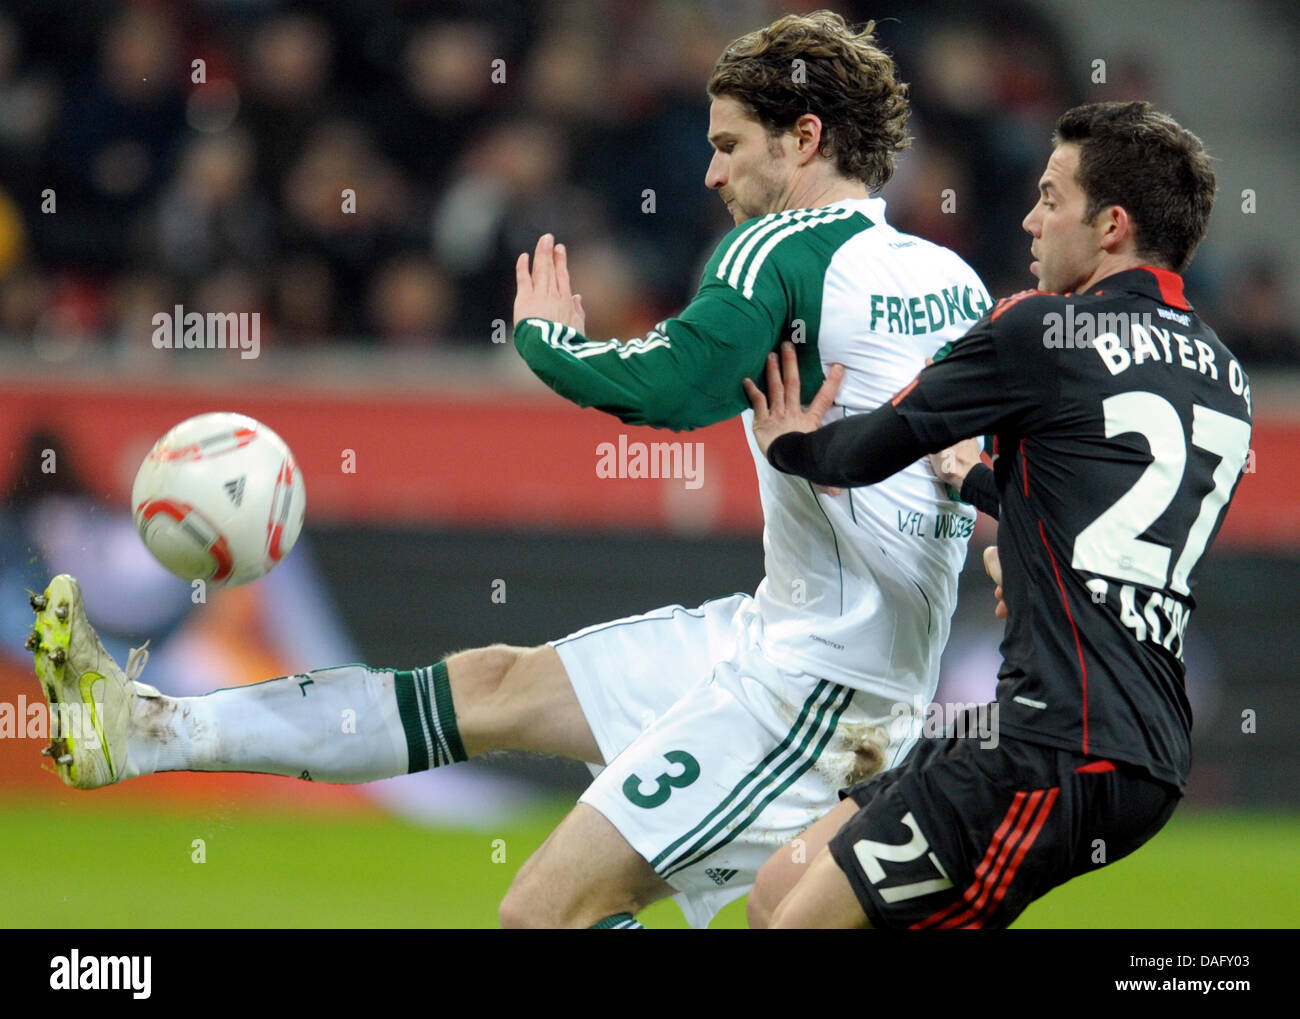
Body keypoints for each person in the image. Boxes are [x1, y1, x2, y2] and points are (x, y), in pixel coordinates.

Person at [28, 12, 989, 929]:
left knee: (543, 908)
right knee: (488, 686)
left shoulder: (779, 247)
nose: (710, 172)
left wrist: (548, 344)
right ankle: (150, 730)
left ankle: (153, 734)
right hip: (798, 643)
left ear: (804, 138)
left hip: (814, 685)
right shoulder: (953, 279)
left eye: (731, 145)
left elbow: (674, 385)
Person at [741, 101, 1250, 929]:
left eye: (1052, 197)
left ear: (1112, 224)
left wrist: (793, 445)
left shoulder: (1040, 328)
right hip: (1114, 735)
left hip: (1053, 744)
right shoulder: (1224, 374)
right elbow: (1091, 524)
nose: (1030, 218)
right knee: (776, 895)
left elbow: (865, 449)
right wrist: (981, 483)